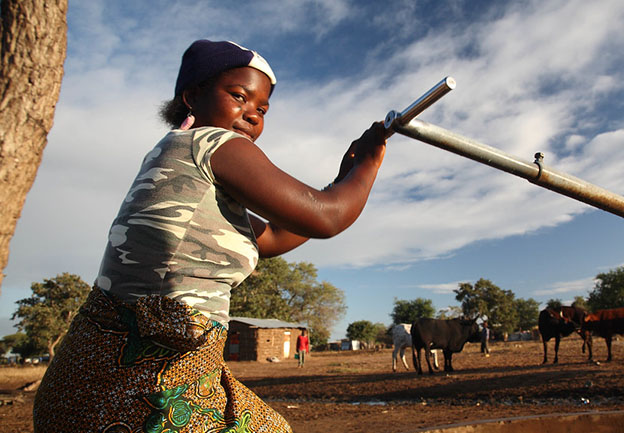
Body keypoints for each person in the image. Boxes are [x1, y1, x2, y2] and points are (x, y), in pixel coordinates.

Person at [33, 39, 386, 433]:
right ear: (193, 95)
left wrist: (340, 180)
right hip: (144, 386)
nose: (251, 115)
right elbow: (326, 217)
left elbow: (272, 238)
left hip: (89, 375)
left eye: (262, 109)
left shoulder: (179, 162)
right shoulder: (213, 143)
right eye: (239, 96)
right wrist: (369, 165)